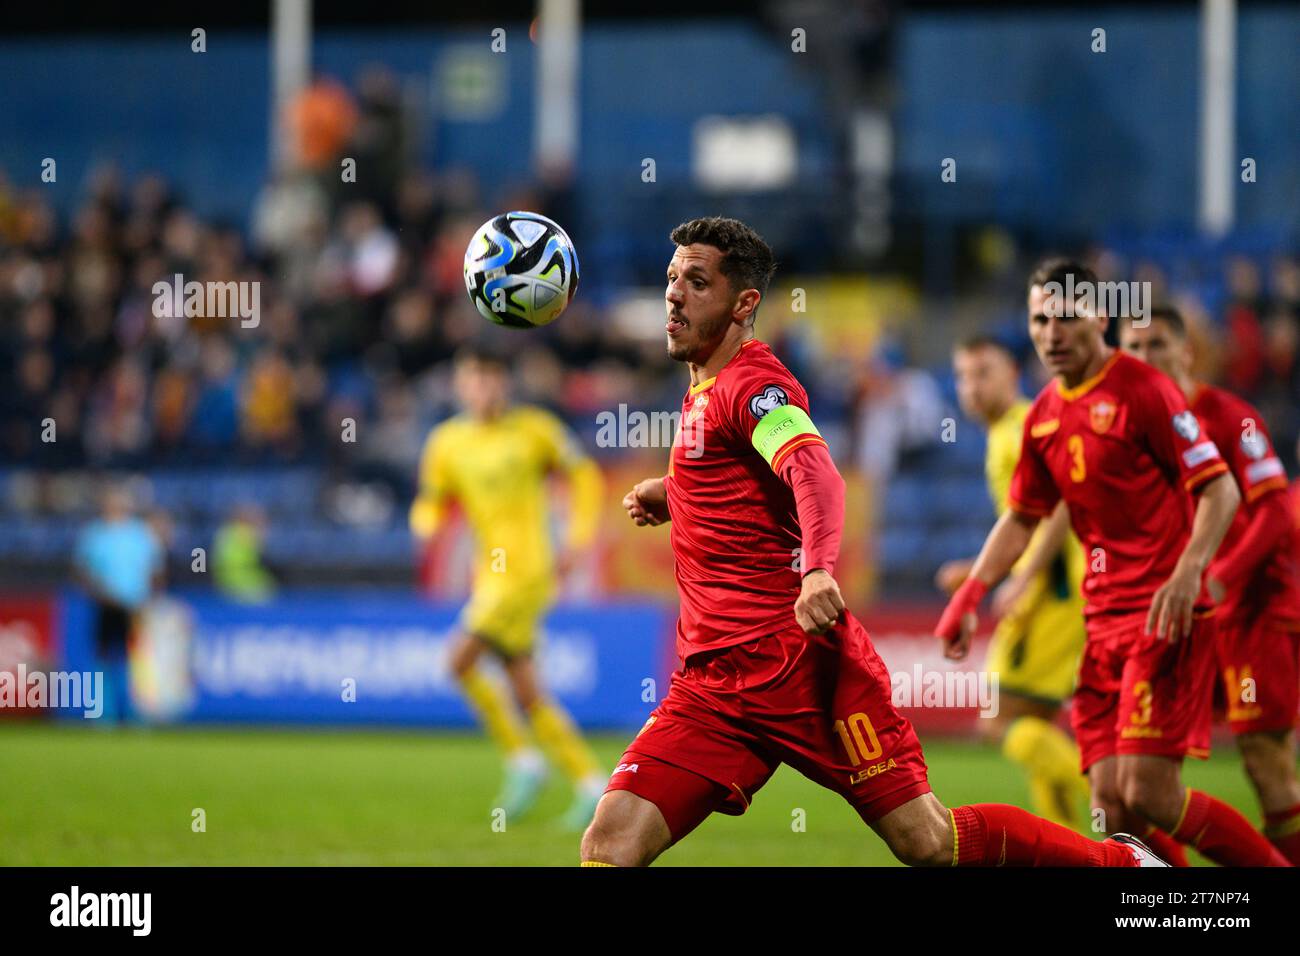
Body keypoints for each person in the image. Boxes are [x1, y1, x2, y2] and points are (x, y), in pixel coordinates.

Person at [581, 219, 1161, 867]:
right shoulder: (702, 392)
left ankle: (1124, 865)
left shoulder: (752, 386)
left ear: (745, 304)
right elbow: (736, 469)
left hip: (804, 669)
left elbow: (814, 469)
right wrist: (675, 490)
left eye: (696, 282)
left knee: (929, 843)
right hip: (714, 685)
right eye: (670, 281)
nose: (673, 296)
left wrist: (820, 571)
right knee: (610, 842)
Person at [937, 258, 1288, 866]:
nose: (1050, 333)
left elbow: (1222, 489)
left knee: (1149, 790)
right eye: (1039, 319)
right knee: (1111, 805)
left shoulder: (1144, 390)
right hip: (1101, 629)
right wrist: (972, 593)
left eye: (1066, 317)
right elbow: (1023, 517)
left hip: (1162, 616)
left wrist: (1189, 573)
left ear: (1098, 316)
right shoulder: (1046, 413)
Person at [1121, 305, 1300, 863]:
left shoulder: (1234, 418)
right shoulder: (1129, 427)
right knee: (1131, 777)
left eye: (1157, 346)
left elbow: (1275, 513)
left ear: (1187, 352)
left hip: (1252, 610)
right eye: (1133, 348)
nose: (1146, 359)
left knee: (1263, 760)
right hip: (1185, 616)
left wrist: (1219, 575)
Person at [410, 345, 606, 829]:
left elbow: (585, 477)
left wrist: (579, 538)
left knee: (459, 660)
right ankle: (590, 783)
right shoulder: (446, 443)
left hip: (528, 571)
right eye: (476, 377)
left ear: (506, 383)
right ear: (460, 384)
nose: (485, 387)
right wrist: (425, 524)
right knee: (527, 689)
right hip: (489, 573)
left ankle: (523, 760)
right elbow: (432, 501)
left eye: (493, 377)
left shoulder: (535, 430)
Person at [937, 336, 1088, 827]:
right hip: (1057, 588)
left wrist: (1025, 580)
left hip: (1056, 592)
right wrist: (982, 568)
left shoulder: (1021, 428)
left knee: (1000, 721)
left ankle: (1119, 793)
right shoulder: (1008, 431)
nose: (971, 387)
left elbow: (1063, 504)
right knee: (1032, 725)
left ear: (1013, 375)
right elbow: (1025, 519)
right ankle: (1078, 847)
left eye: (983, 373)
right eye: (962, 376)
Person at [73, 482, 165, 724]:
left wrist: (149, 599)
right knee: (103, 655)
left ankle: (136, 711)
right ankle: (103, 712)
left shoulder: (140, 534)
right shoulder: (94, 534)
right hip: (105, 605)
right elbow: (83, 572)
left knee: (136, 657)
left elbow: (155, 570)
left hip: (134, 606)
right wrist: (101, 594)